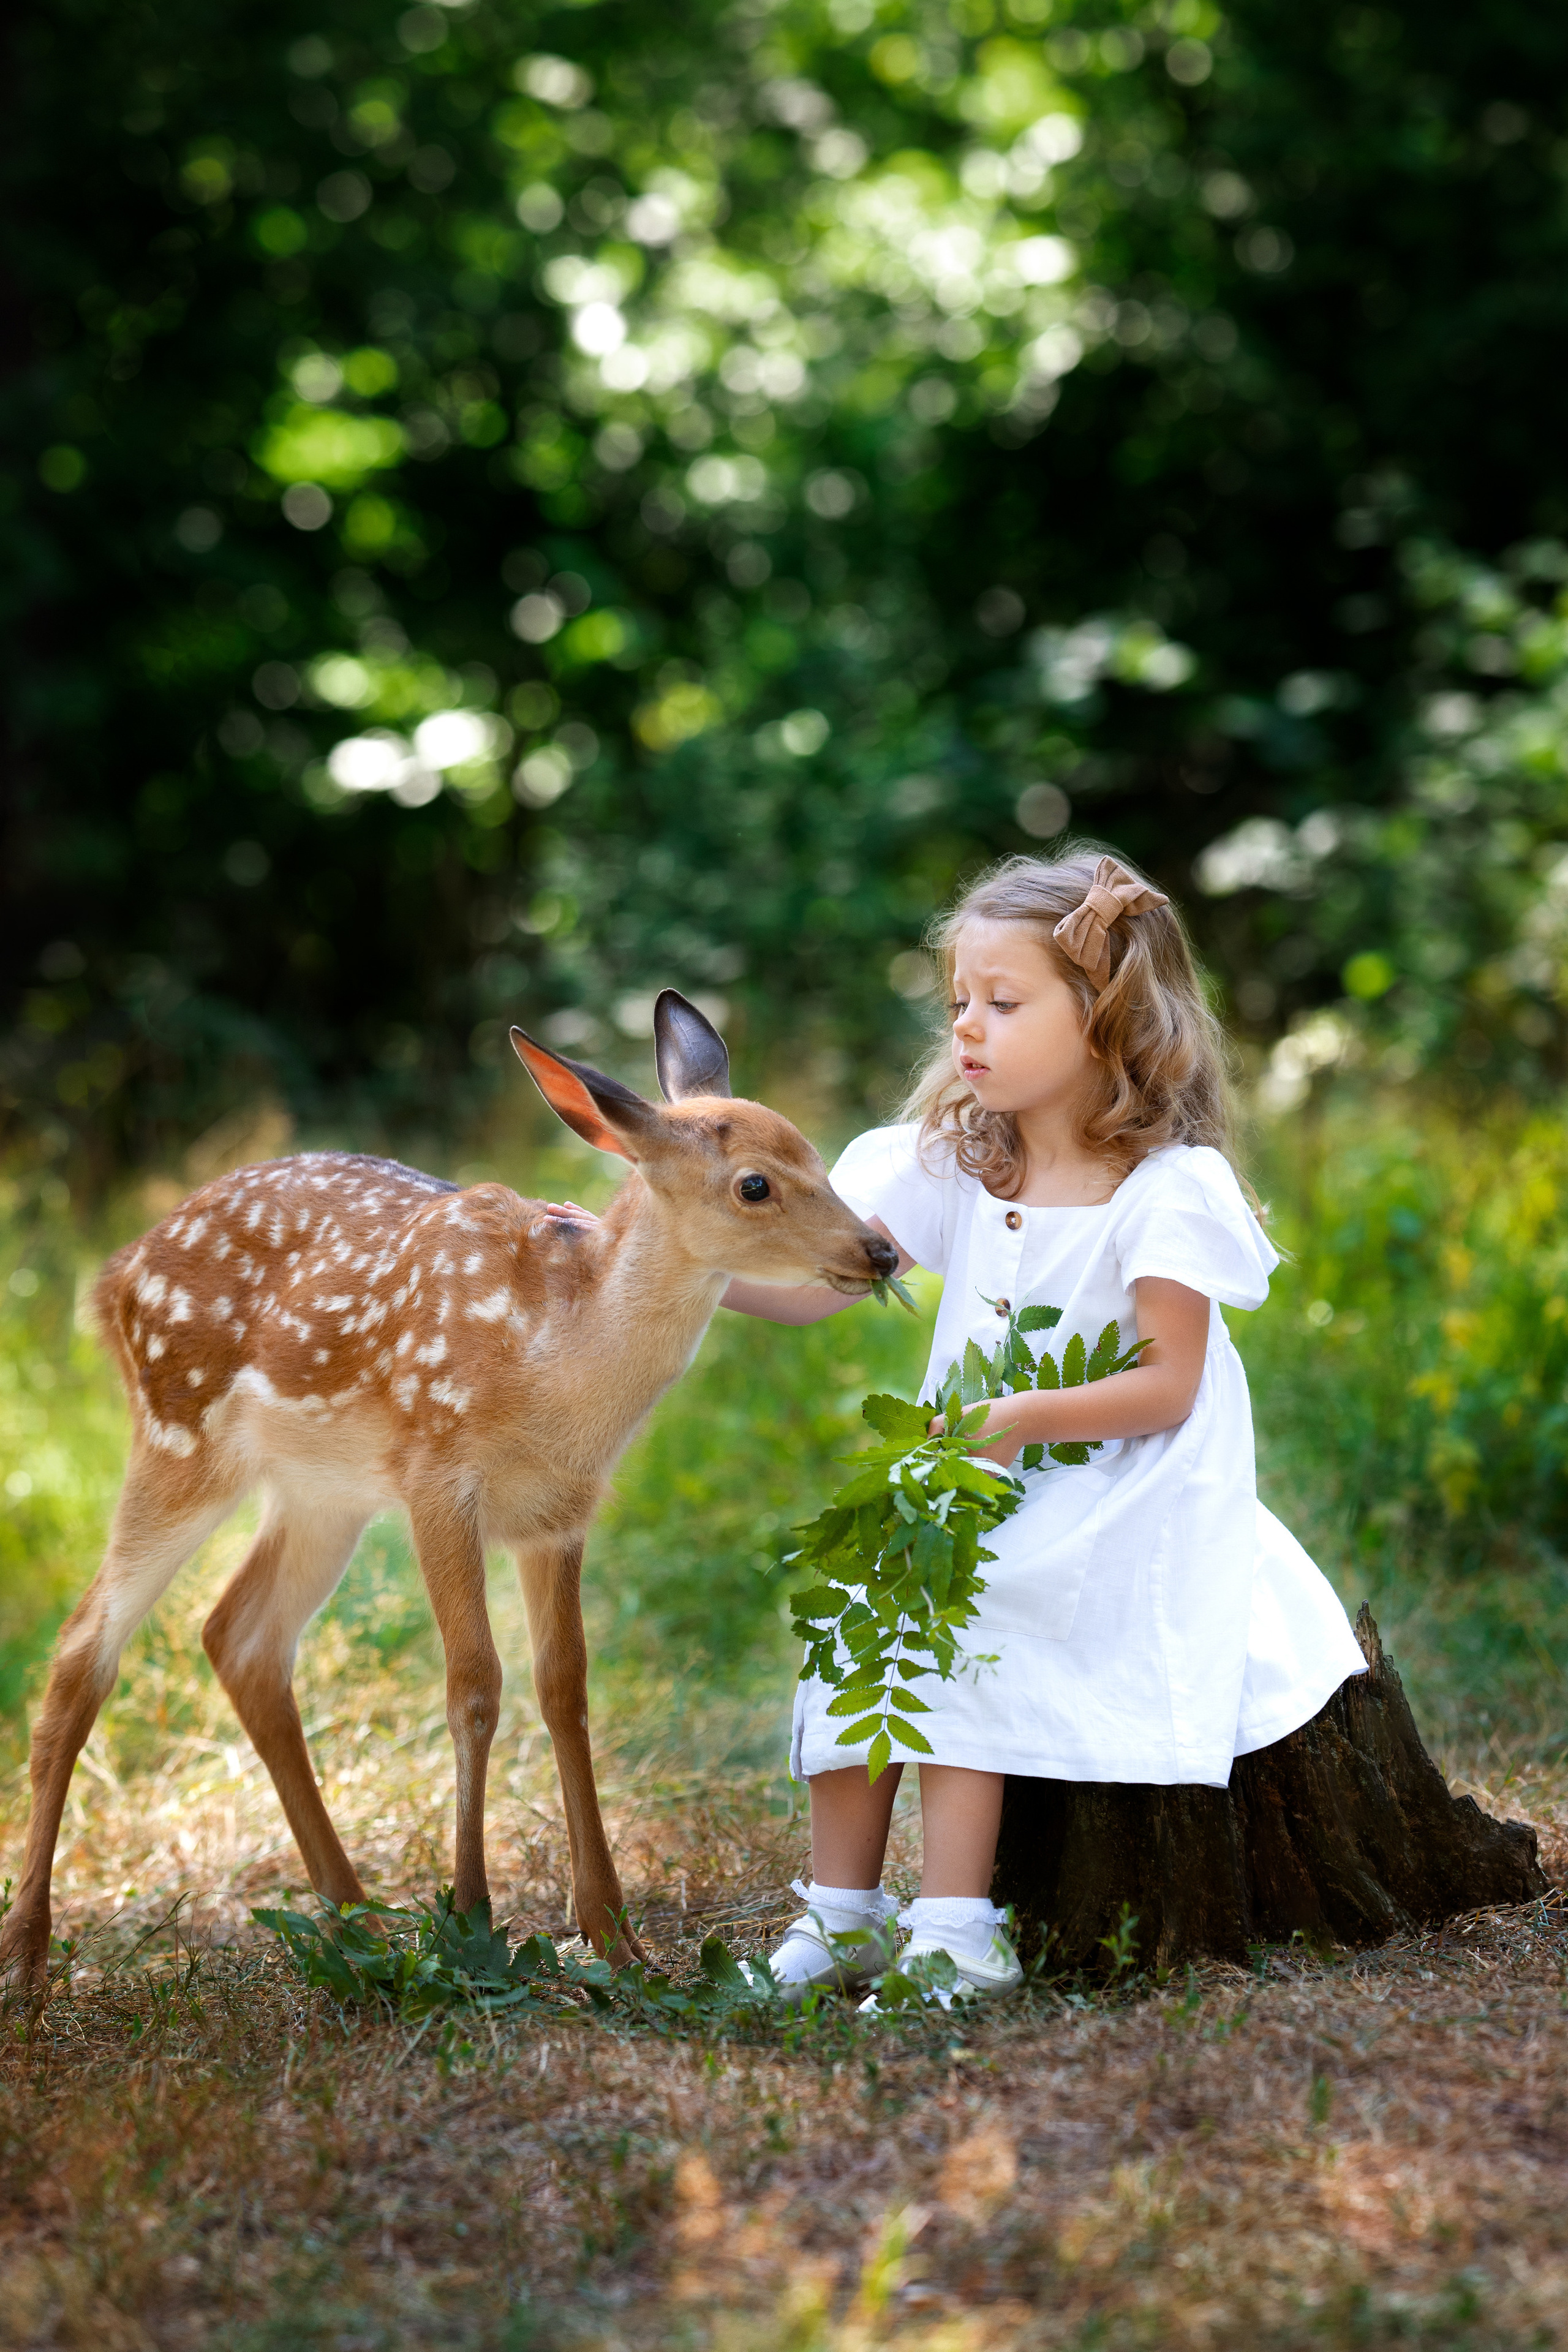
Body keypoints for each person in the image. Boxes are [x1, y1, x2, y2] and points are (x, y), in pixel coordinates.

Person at [718, 848, 1368, 2008]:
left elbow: (1169, 1383)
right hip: (981, 1472)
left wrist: (1021, 1418)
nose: (968, 1026)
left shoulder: (1165, 1188)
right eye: (960, 1000)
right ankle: (839, 1914)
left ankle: (961, 1931)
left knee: (975, 1600)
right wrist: (688, 1273)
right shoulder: (960, 1160)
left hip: (1122, 1483)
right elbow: (826, 1284)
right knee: (867, 1601)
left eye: (1004, 1003)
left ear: (1107, 1016)